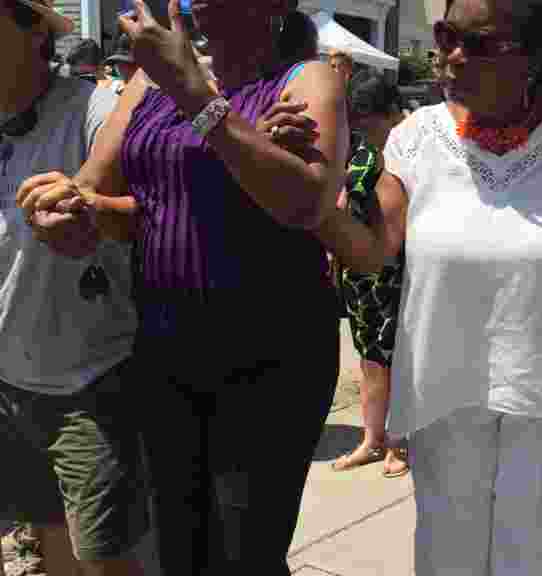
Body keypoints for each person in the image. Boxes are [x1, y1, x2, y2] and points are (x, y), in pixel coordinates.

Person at [16, 0, 349, 573]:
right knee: (182, 550)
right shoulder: (151, 76)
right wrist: (69, 211)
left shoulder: (306, 79)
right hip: (166, 352)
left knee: (245, 552)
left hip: (270, 358)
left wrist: (195, 94)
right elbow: (108, 199)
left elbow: (306, 203)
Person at [318, 0, 542, 573]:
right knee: (446, 556)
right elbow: (371, 250)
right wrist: (316, 192)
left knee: (529, 557)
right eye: (447, 36)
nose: (451, 56)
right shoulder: (418, 137)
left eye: (480, 43)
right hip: (442, 397)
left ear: (534, 56)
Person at [1, 1, 146, 575]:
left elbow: (160, 209)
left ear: (32, 27)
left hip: (87, 382)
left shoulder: (94, 110)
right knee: (49, 542)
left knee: (106, 559)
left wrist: (92, 211)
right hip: (9, 381)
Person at [328, 71, 409, 478]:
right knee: (370, 358)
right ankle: (372, 438)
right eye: (357, 119)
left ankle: (397, 441)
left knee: (399, 357)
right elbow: (344, 196)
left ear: (393, 113)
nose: (362, 127)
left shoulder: (411, 154)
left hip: (399, 270)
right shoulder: (360, 151)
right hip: (359, 272)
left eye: (369, 118)